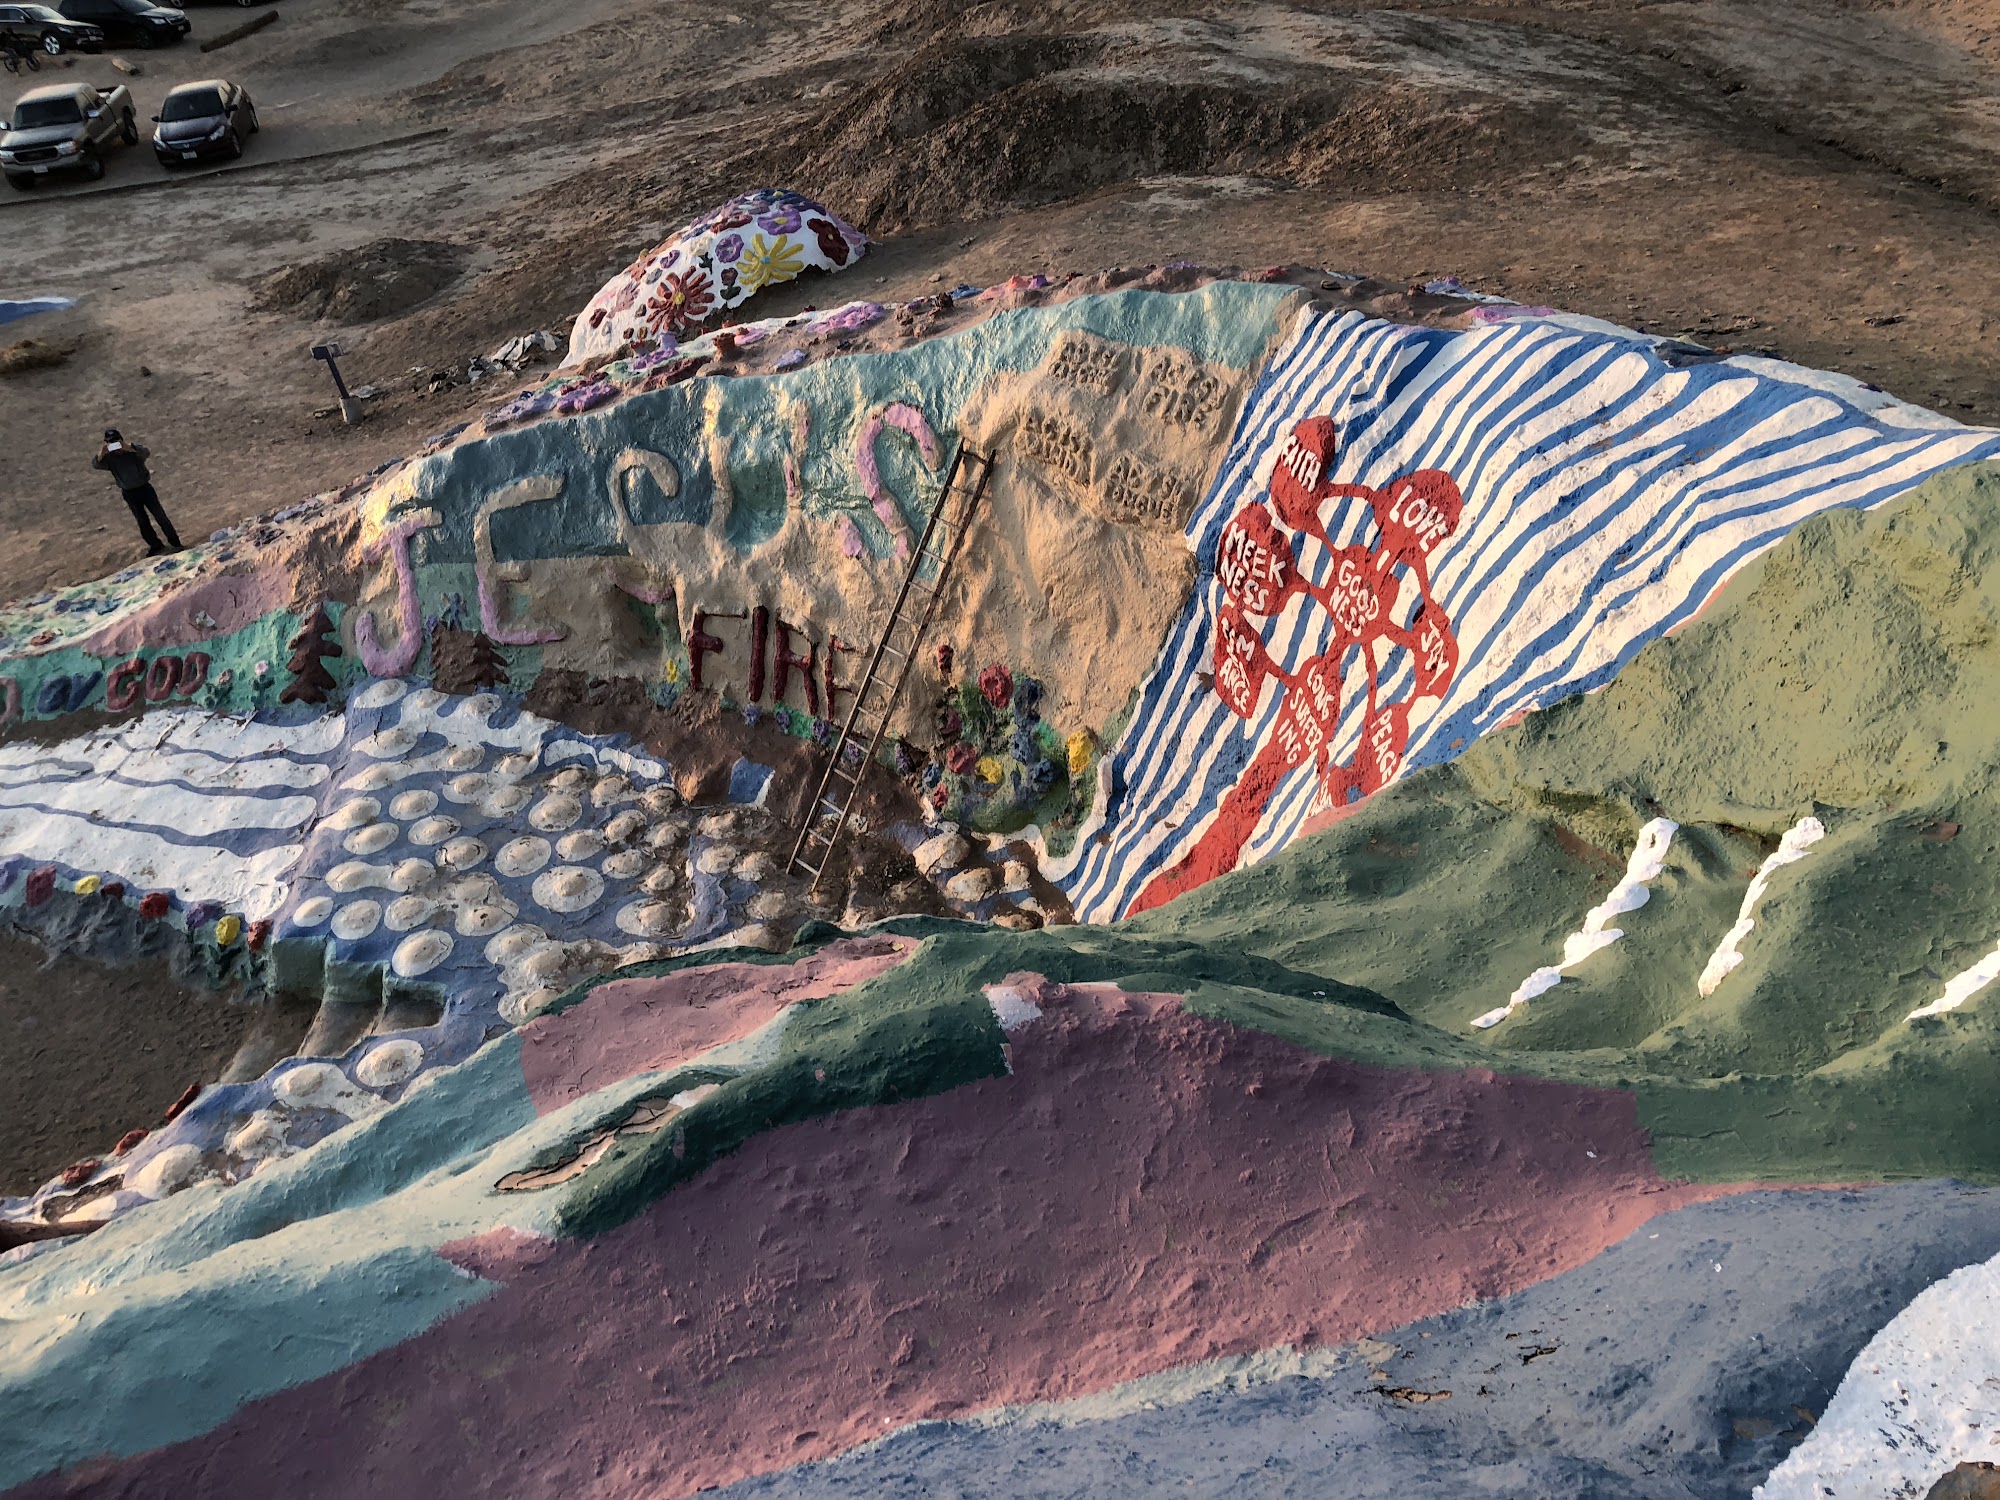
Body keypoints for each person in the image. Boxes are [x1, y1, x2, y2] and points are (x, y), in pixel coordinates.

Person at [92, 429, 182, 555]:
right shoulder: (109, 458)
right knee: (142, 521)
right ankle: (155, 545)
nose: (114, 444)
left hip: (145, 488)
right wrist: (101, 454)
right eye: (110, 442)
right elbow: (96, 465)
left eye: (115, 440)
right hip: (129, 493)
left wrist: (129, 448)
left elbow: (146, 452)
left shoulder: (132, 451)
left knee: (160, 516)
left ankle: (175, 542)